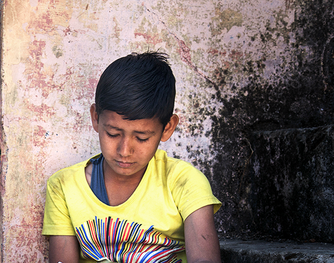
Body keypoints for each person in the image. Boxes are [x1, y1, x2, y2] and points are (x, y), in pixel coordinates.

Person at [42, 52, 222, 263]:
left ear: (168, 128)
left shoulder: (185, 182)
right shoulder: (64, 186)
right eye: (113, 133)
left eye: (142, 137)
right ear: (95, 118)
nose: (125, 150)